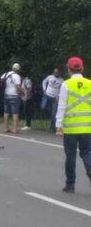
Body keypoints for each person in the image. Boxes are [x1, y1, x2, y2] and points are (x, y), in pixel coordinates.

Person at [56, 57, 91, 193]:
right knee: (86, 152)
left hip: (70, 128)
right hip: (87, 127)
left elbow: (62, 106)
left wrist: (59, 125)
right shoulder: (90, 83)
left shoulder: (66, 84)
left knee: (70, 156)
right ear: (82, 68)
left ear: (68, 69)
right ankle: (89, 167)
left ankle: (70, 184)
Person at [1, 63, 22, 133]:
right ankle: (14, 129)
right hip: (14, 95)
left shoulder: (6, 74)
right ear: (19, 69)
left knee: (6, 112)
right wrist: (23, 92)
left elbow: (1, 80)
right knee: (15, 113)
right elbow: (18, 87)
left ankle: (5, 128)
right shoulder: (17, 76)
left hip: (6, 94)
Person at [42, 68, 64, 132]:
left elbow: (63, 89)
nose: (55, 73)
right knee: (43, 107)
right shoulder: (50, 77)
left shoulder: (61, 80)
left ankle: (52, 127)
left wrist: (59, 96)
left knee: (53, 113)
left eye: (57, 72)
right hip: (47, 95)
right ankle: (49, 112)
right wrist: (44, 89)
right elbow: (44, 81)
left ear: (59, 73)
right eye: (54, 72)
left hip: (54, 98)